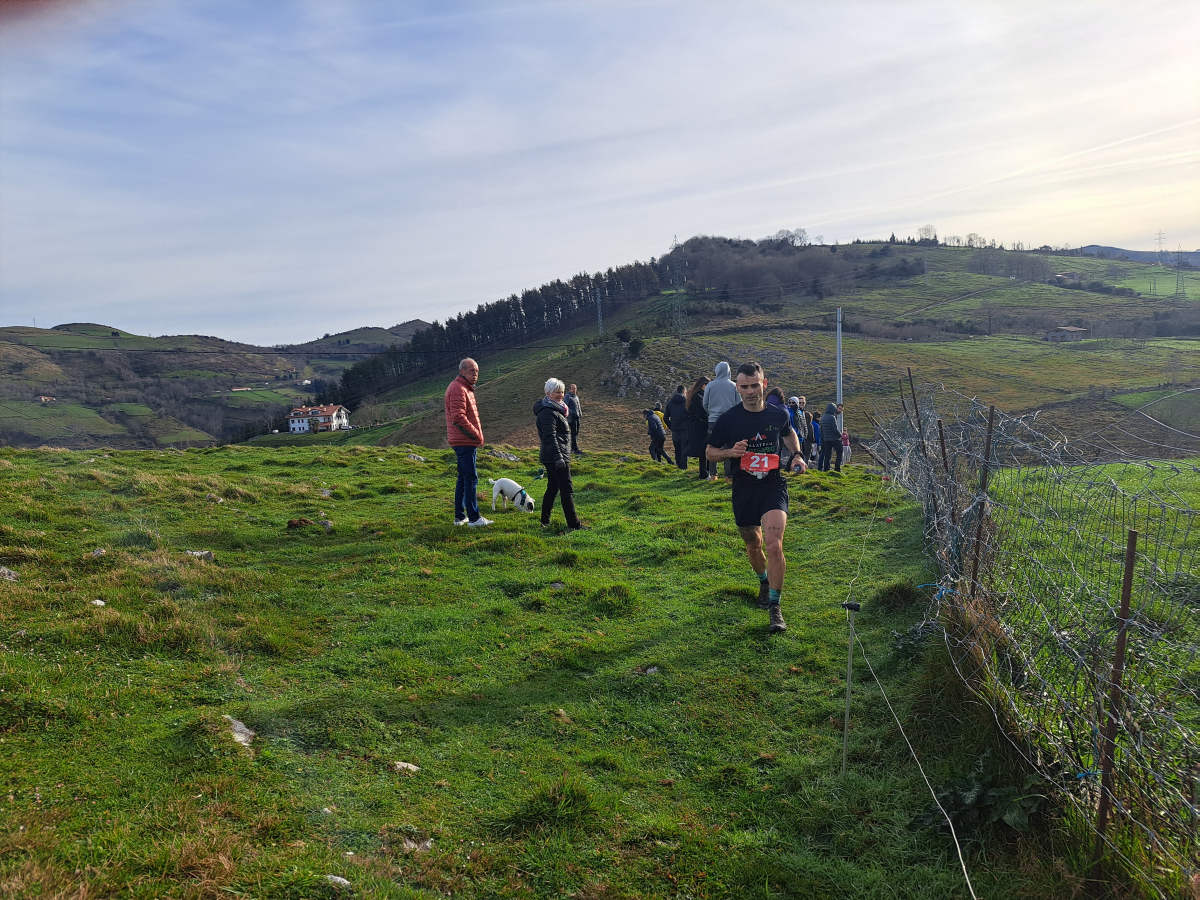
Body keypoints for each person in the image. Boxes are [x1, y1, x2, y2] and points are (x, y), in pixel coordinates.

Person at [706, 361, 806, 632]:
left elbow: (789, 434)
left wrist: (796, 454)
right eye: (744, 386)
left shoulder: (778, 414)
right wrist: (730, 453)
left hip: (773, 485)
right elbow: (709, 452)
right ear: (737, 388)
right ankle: (763, 580)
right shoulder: (729, 419)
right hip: (743, 487)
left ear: (764, 383)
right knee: (754, 544)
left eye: (754, 385)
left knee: (774, 545)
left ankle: (776, 607)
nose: (750, 391)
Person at [444, 357, 491, 526]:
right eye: (472, 371)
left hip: (462, 440)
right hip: (464, 441)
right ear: (462, 371)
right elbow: (458, 417)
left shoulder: (464, 388)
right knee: (470, 478)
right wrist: (476, 435)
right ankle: (474, 518)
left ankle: (460, 516)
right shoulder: (458, 388)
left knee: (464, 478)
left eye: (477, 371)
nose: (475, 374)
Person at [535, 378, 584, 530]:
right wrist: (559, 457)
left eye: (562, 391)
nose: (561, 395)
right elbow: (550, 437)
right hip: (556, 456)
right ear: (548, 393)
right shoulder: (548, 412)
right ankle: (574, 525)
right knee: (566, 489)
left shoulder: (556, 409)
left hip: (555, 455)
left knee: (553, 487)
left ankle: (545, 521)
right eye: (557, 392)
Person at [702, 361, 739, 480]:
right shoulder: (734, 386)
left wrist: (711, 413)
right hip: (730, 422)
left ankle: (713, 474)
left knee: (713, 447)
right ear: (729, 371)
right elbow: (739, 404)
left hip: (713, 421)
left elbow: (705, 403)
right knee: (729, 448)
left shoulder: (710, 385)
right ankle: (729, 475)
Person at [686, 376, 710, 480]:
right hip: (700, 426)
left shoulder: (695, 395)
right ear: (703, 385)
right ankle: (704, 473)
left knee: (703, 450)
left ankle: (705, 472)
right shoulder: (699, 396)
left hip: (697, 426)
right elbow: (701, 411)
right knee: (704, 450)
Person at [665, 385, 689, 470]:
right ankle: (684, 467)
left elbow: (665, 417)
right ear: (684, 391)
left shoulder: (670, 402)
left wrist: (671, 427)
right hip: (685, 430)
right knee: (684, 449)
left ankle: (678, 466)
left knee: (677, 449)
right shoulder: (687, 402)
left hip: (675, 430)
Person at [818, 402, 842, 471]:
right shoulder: (832, 417)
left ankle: (826, 469)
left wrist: (823, 439)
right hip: (834, 439)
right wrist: (840, 435)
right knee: (840, 451)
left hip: (826, 440)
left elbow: (821, 430)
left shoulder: (822, 418)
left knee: (827, 455)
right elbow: (835, 429)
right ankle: (837, 468)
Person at [565, 383, 583, 454]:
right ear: (570, 389)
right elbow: (565, 406)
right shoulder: (567, 396)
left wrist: (580, 413)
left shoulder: (576, 397)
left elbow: (578, 406)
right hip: (572, 418)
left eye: (575, 388)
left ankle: (573, 448)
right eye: (573, 388)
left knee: (576, 433)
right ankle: (575, 449)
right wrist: (572, 413)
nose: (574, 390)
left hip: (577, 417)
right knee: (573, 433)